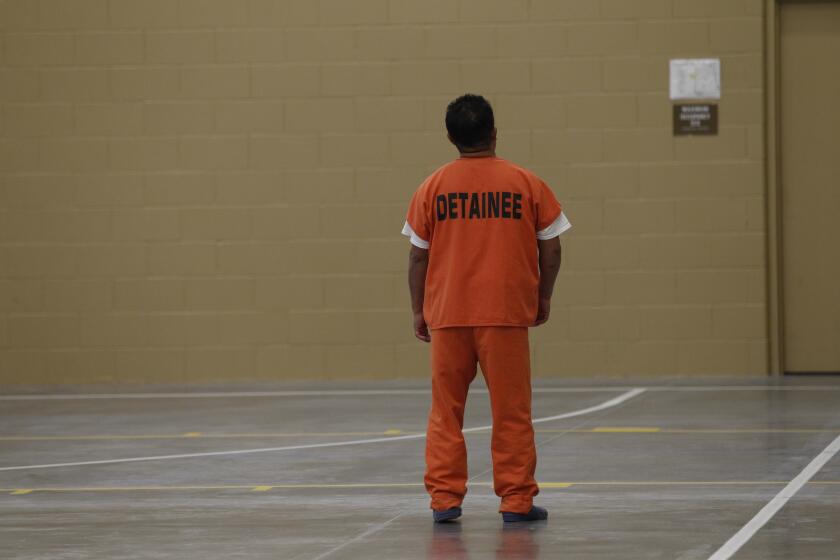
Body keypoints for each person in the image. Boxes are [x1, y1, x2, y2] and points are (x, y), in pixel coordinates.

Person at [401, 94, 571, 523]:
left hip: (449, 316)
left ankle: (444, 501)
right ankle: (516, 500)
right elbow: (551, 249)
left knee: (446, 413)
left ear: (450, 137)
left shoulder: (431, 187)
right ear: (494, 133)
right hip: (506, 316)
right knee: (512, 412)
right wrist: (543, 295)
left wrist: (419, 309)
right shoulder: (526, 183)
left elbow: (418, 256)